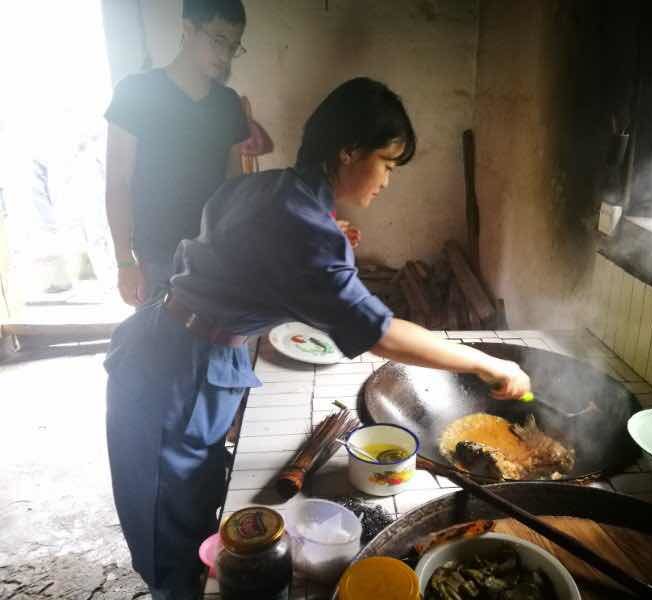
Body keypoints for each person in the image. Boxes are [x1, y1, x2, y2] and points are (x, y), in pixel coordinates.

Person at [104, 77, 531, 599]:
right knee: (166, 529)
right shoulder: (303, 223)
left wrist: (323, 238)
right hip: (172, 372)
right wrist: (486, 363)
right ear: (348, 151)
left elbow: (244, 256)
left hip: (177, 345)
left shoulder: (268, 189)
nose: (388, 180)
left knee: (195, 507)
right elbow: (380, 334)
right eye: (388, 163)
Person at [104, 0, 254, 308]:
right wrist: (124, 262)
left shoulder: (228, 104)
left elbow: (234, 182)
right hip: (156, 258)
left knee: (217, 346)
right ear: (188, 28)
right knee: (161, 349)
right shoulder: (136, 93)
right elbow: (118, 181)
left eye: (234, 45)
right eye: (218, 39)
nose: (225, 54)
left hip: (214, 255)